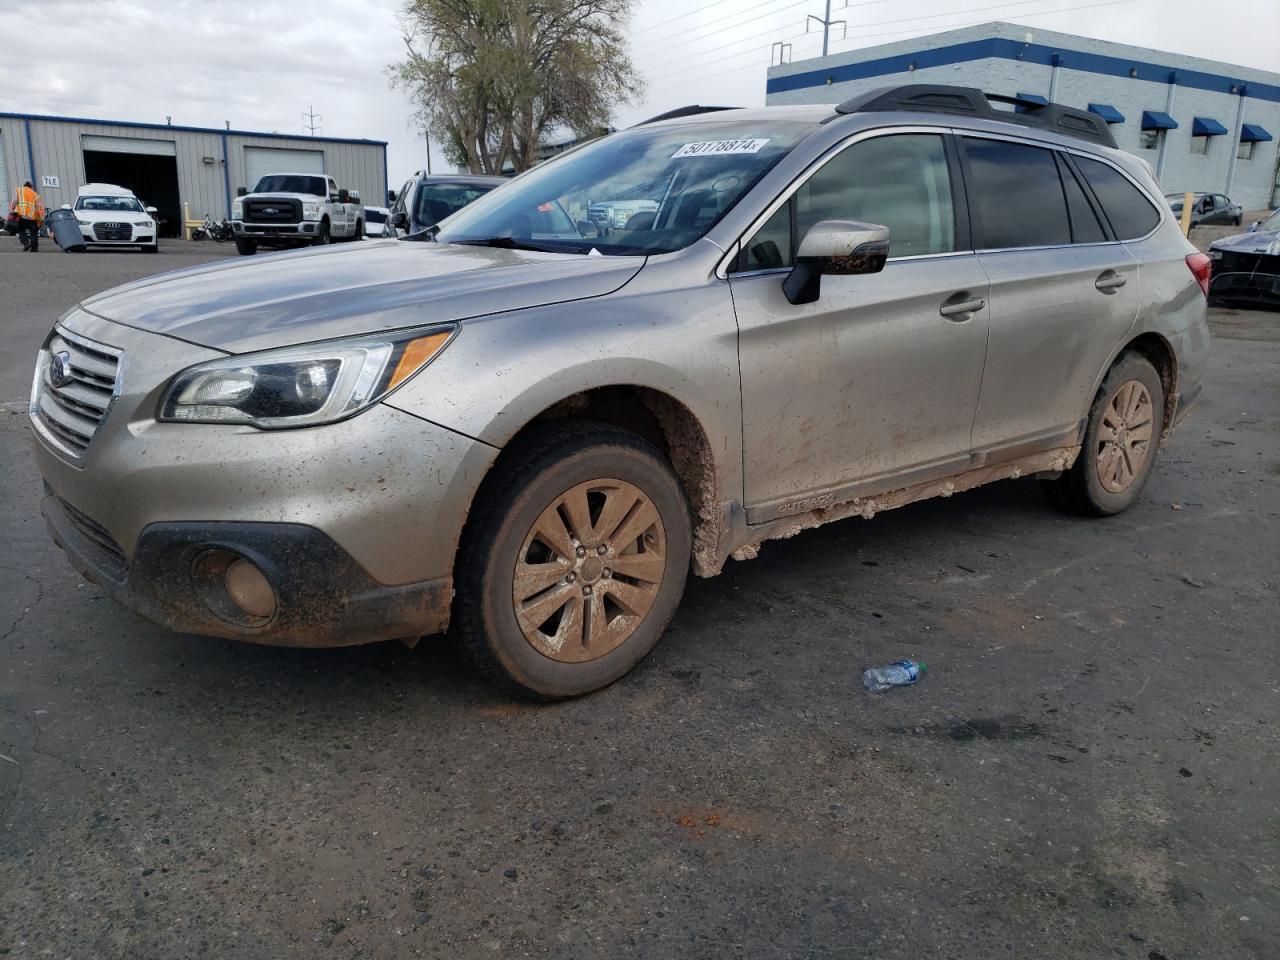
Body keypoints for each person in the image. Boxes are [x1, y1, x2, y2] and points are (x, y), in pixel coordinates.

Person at [10, 181, 45, 253]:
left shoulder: (18, 190)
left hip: (21, 216)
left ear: (24, 185)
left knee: (21, 231)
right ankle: (34, 248)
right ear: (31, 186)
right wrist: (41, 219)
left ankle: (26, 243)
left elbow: (14, 202)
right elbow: (40, 207)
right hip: (32, 218)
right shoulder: (36, 195)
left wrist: (13, 210)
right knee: (34, 233)